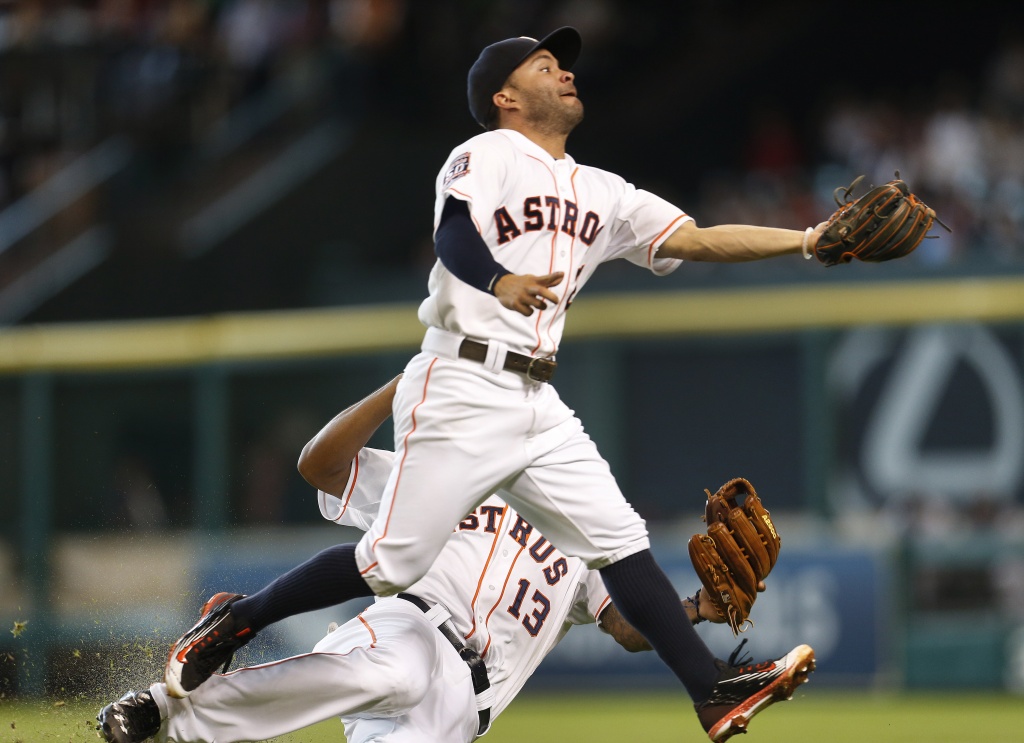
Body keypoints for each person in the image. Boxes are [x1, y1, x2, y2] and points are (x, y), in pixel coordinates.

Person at [160, 27, 821, 741]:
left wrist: (811, 240)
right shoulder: (487, 153)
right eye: (545, 65)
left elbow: (699, 236)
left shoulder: (601, 192)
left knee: (619, 539)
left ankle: (713, 689)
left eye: (563, 64)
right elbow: (454, 233)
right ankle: (237, 620)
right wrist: (498, 278)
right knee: (389, 562)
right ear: (506, 96)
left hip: (537, 399)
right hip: (465, 376)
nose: (564, 72)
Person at [97, 376, 804, 743]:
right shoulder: (449, 471)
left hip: (464, 705)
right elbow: (319, 466)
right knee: (382, 662)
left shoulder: (587, 535)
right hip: (409, 623)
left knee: (399, 683)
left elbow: (624, 627)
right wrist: (404, 386)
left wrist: (695, 613)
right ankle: (159, 711)